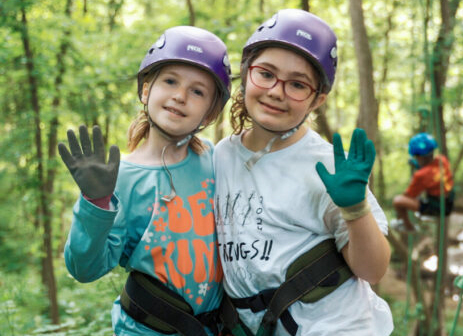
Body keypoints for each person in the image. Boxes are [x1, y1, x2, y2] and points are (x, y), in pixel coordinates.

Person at [213, 9, 393, 336]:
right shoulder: (221, 156)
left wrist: (355, 210)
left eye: (297, 84)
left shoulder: (326, 167)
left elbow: (373, 270)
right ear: (246, 72)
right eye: (265, 74)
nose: (276, 91)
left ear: (317, 100)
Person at [58, 26, 231, 336]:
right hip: (147, 328)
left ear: (209, 114)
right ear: (145, 90)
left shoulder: (214, 161)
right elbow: (85, 269)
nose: (180, 96)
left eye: (197, 91)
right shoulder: (121, 178)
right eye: (170, 81)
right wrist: (96, 204)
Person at [392, 132, 454, 232]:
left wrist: (403, 201)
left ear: (420, 157)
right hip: (448, 202)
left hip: (436, 207)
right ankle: (421, 214)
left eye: (416, 157)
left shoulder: (421, 175)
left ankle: (408, 227)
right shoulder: (442, 160)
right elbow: (431, 169)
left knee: (398, 201)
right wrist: (418, 166)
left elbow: (408, 195)